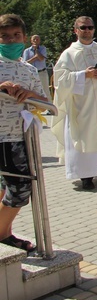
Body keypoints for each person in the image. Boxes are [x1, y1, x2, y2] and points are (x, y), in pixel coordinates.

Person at [52, 16, 97, 190]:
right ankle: (86, 176)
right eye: (83, 28)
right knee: (85, 136)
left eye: (90, 27)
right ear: (75, 30)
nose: (87, 31)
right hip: (82, 104)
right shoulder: (69, 53)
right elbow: (60, 78)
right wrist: (83, 75)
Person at [0, 14, 46, 253]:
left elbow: (44, 101)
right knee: (18, 190)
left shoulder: (28, 69)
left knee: (10, 187)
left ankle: (5, 232)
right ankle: (1, 233)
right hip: (2, 137)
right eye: (5, 37)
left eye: (16, 36)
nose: (10, 41)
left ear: (24, 37)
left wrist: (29, 94)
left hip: (20, 137)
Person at [22, 34, 51, 100]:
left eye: (37, 39)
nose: (35, 41)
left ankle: (50, 108)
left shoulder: (43, 49)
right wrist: (35, 57)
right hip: (31, 73)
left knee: (46, 90)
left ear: (39, 41)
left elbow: (41, 58)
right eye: (34, 39)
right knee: (33, 90)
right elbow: (26, 63)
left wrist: (36, 50)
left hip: (42, 72)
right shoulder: (27, 51)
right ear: (31, 41)